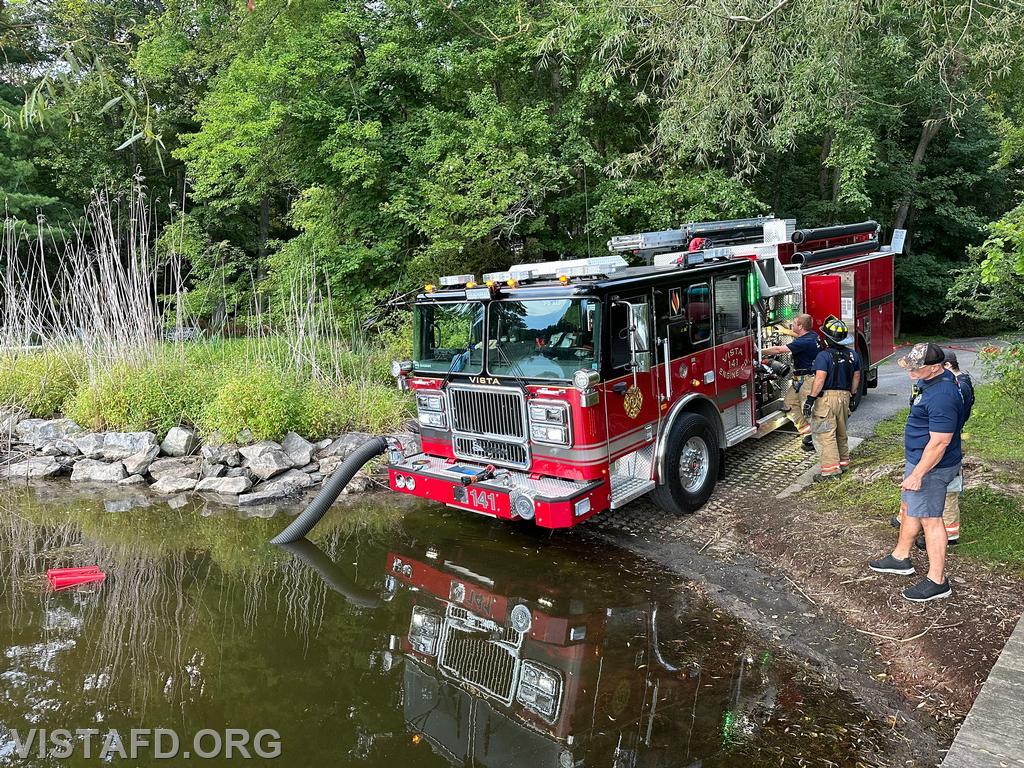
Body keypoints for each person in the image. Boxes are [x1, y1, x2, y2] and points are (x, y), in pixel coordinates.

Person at [869, 342, 964, 603]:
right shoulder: (931, 381)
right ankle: (901, 557)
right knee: (912, 507)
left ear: (935, 368)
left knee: (931, 519)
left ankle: (937, 581)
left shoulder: (942, 395)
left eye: (916, 368)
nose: (910, 371)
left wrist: (918, 474)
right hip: (920, 460)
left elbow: (940, 442)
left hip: (932, 467)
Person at [801, 315, 861, 481]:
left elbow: (820, 379)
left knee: (825, 433)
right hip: (844, 396)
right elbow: (856, 377)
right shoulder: (853, 355)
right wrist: (853, 395)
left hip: (826, 399)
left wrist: (811, 400)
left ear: (827, 338)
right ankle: (843, 464)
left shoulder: (823, 356)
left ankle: (830, 472)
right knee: (841, 432)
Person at [762, 313, 820, 452]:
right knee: (788, 403)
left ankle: (818, 439)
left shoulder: (804, 342)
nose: (791, 325)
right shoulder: (812, 336)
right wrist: (784, 331)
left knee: (809, 410)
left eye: (793, 324)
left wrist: (758, 351)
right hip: (801, 379)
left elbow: (778, 350)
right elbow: (798, 337)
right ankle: (807, 431)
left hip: (807, 380)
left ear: (800, 326)